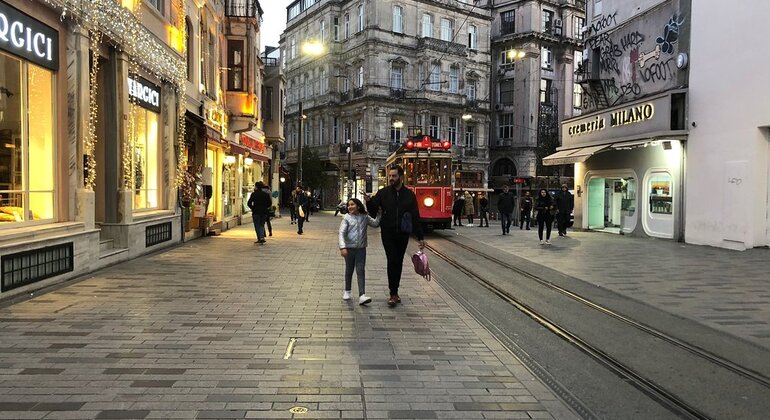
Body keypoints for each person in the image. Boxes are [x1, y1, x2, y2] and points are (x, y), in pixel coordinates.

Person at [363, 165, 426, 306]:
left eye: (394, 176)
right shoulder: (383, 193)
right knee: (392, 260)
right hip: (388, 233)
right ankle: (393, 293)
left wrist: (420, 237)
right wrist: (368, 202)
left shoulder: (409, 195)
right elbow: (373, 212)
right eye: (390, 176)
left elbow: (415, 217)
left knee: (398, 261)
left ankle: (395, 291)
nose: (391, 178)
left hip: (403, 234)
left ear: (401, 177)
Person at [339, 198, 380, 306]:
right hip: (349, 248)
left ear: (358, 206)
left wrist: (380, 213)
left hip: (361, 249)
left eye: (352, 204)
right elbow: (341, 233)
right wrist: (343, 247)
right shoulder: (346, 218)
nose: (350, 207)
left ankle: (362, 295)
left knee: (360, 270)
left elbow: (375, 224)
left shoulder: (364, 217)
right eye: (349, 205)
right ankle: (347, 291)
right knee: (349, 270)